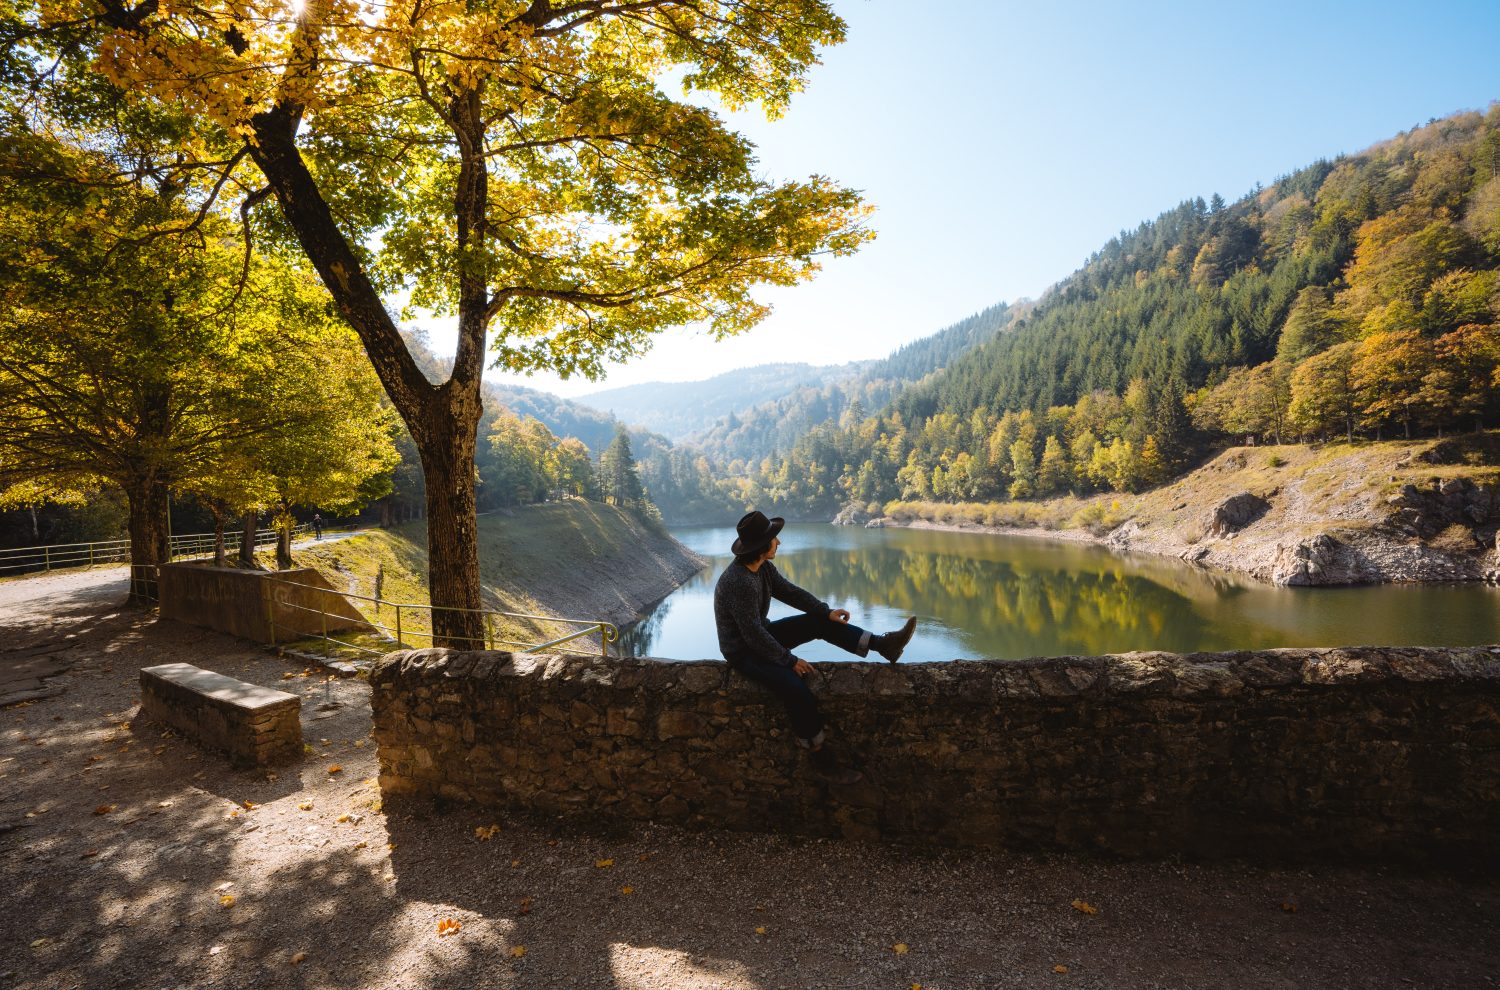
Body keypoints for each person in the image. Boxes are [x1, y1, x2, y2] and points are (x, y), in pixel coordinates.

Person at [714, 510, 917, 782]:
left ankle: (884, 645)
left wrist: (825, 611)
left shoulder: (761, 568)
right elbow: (751, 635)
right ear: (763, 547)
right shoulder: (739, 582)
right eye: (775, 539)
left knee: (817, 622)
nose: (779, 543)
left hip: (760, 636)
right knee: (797, 690)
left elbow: (790, 592)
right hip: (743, 652)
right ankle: (821, 758)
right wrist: (789, 661)